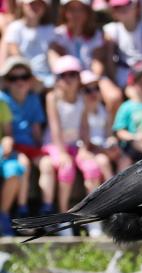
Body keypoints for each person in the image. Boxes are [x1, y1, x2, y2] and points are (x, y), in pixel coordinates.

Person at [42, 56, 106, 235]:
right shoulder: (52, 97)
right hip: (55, 145)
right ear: (57, 79)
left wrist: (85, 149)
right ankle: (64, 217)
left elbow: (84, 126)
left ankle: (91, 218)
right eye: (64, 75)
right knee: (66, 169)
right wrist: (62, 153)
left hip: (76, 145)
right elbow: (55, 127)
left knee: (92, 168)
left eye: (73, 75)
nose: (69, 79)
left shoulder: (82, 98)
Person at [50, 0, 122, 126]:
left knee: (114, 96)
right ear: (64, 12)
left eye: (80, 10)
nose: (76, 14)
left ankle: (110, 133)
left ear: (88, 12)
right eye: (72, 10)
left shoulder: (97, 35)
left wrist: (90, 79)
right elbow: (58, 62)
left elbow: (97, 62)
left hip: (92, 76)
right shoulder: (58, 35)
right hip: (69, 77)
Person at [0, 57, 44, 217]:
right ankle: (22, 210)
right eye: (14, 78)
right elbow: (8, 135)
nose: (20, 82)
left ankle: (48, 209)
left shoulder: (33, 99)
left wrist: (40, 149)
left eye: (24, 77)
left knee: (46, 165)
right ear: (7, 81)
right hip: (14, 149)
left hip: (29, 147)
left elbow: (36, 129)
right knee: (23, 165)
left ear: (30, 80)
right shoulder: (2, 100)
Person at [1, 0, 55, 90]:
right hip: (22, 76)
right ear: (23, 5)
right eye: (32, 4)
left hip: (45, 77)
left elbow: (52, 55)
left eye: (39, 4)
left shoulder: (50, 30)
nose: (35, 7)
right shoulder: (14, 27)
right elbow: (16, 54)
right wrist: (30, 76)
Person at [80, 70, 119, 178]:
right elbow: (84, 141)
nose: (93, 93)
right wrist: (103, 150)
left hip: (103, 148)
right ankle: (112, 193)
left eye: (96, 88)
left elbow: (109, 134)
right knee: (103, 161)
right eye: (88, 90)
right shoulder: (80, 111)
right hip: (91, 150)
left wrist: (112, 143)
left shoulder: (103, 109)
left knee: (125, 159)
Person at [0, 97, 27, 235]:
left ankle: (3, 216)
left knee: (15, 169)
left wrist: (7, 141)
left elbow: (8, 134)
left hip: (1, 153)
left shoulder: (2, 104)